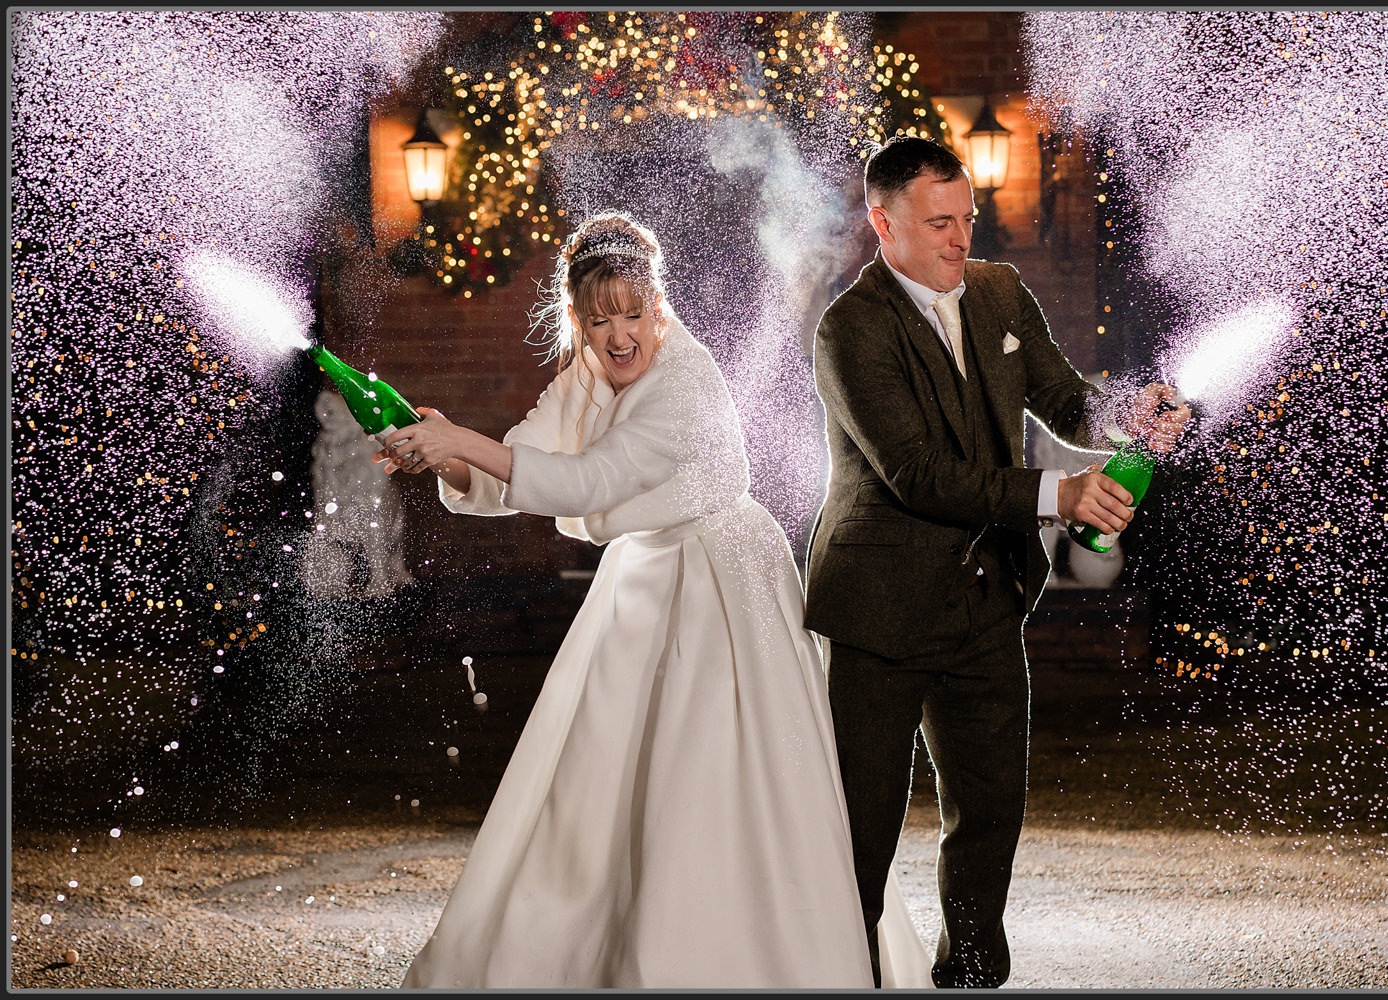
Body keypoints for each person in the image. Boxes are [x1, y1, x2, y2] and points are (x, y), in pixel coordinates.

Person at [382, 212, 930, 988]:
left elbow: (592, 481)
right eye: (599, 320)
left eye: (633, 315)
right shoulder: (582, 376)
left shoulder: (687, 378)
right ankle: (598, 944)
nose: (618, 337)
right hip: (642, 576)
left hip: (721, 577)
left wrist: (466, 442)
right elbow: (524, 467)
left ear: (658, 308)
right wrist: (442, 450)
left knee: (712, 764)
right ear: (577, 319)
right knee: (606, 766)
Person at [806, 136, 1191, 987]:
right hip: (878, 609)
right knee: (859, 829)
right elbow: (917, 474)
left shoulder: (998, 290)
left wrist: (1127, 412)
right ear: (883, 224)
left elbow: (1059, 396)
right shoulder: (848, 329)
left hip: (987, 598)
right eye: (937, 223)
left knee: (988, 815)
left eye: (966, 219)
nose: (958, 239)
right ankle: (836, 976)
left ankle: (973, 973)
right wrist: (1059, 495)